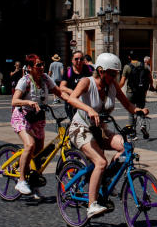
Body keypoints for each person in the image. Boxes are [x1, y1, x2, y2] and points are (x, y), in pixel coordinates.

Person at [65, 53, 147, 218]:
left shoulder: (113, 86)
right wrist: (88, 109)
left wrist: (138, 110)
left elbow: (127, 104)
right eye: (111, 73)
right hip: (80, 128)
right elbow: (71, 99)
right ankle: (92, 204)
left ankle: (107, 180)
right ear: (100, 70)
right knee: (100, 162)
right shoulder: (87, 82)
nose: (113, 76)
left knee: (126, 147)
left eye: (115, 73)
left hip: (99, 129)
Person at [11, 54, 63, 196]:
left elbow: (59, 92)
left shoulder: (46, 79)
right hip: (22, 116)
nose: (41, 67)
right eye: (38, 65)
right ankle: (21, 180)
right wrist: (28, 102)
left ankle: (33, 182)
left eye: (42, 64)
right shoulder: (24, 81)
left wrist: (76, 102)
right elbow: (14, 101)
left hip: (38, 117)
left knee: (39, 153)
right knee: (30, 145)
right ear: (29, 68)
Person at [121, 52, 151, 138]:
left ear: (129, 57)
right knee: (141, 110)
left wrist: (117, 88)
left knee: (131, 112)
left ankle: (132, 132)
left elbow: (123, 81)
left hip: (131, 92)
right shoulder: (144, 66)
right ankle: (143, 126)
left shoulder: (127, 67)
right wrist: (151, 86)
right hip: (141, 92)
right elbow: (149, 78)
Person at [60, 51, 92, 119]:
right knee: (75, 124)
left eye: (81, 59)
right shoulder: (69, 72)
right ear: (72, 60)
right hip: (73, 104)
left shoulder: (89, 70)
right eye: (76, 59)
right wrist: (71, 91)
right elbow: (62, 87)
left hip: (87, 102)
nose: (79, 61)